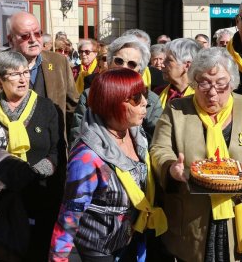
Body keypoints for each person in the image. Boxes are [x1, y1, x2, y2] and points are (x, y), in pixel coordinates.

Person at [150, 47, 242, 261]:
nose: (212, 92)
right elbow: (159, 148)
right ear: (193, 82)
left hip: (239, 213)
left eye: (221, 84)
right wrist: (170, 166)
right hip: (192, 215)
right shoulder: (176, 110)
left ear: (232, 83)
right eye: (204, 83)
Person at [49, 67, 167, 261]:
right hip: (101, 250)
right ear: (112, 103)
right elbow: (69, 217)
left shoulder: (136, 133)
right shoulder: (87, 156)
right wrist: (58, 258)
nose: (145, 102)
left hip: (133, 239)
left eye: (144, 94)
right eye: (136, 98)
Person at [0, 51, 63, 261]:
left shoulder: (47, 108)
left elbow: (55, 152)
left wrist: (26, 174)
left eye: (25, 72)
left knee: (37, 253)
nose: (22, 79)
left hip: (38, 195)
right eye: (14, 74)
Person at [0, 11, 79, 141]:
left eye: (37, 33)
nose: (33, 40)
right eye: (25, 36)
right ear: (10, 39)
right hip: (8, 153)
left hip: (52, 152)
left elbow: (73, 107)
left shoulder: (59, 62)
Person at [69, 35, 162, 147]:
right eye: (119, 61)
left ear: (140, 71)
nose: (124, 67)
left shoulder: (150, 100)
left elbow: (156, 141)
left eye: (132, 64)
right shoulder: (90, 95)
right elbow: (78, 135)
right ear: (109, 62)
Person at [153, 38, 201, 109]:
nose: (162, 65)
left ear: (187, 65)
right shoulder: (157, 93)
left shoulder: (201, 95)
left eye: (169, 60)